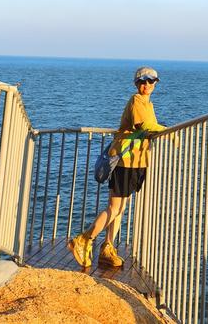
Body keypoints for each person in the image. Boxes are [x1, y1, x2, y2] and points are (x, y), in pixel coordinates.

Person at [68, 65, 166, 268]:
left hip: (136, 160)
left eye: (151, 81)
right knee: (115, 207)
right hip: (126, 161)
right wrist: (169, 132)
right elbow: (145, 126)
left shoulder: (148, 103)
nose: (146, 85)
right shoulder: (137, 101)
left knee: (120, 208)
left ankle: (107, 248)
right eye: (142, 81)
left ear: (156, 83)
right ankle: (84, 239)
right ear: (136, 83)